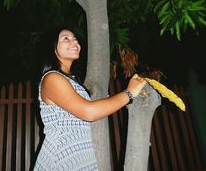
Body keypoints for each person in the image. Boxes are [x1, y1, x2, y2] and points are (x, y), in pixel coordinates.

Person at [33, 28, 147, 170]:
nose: (74, 41)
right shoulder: (51, 78)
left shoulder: (71, 80)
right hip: (61, 157)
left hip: (81, 156)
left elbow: (87, 110)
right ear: (52, 48)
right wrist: (129, 93)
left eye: (75, 38)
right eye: (65, 38)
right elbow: (89, 112)